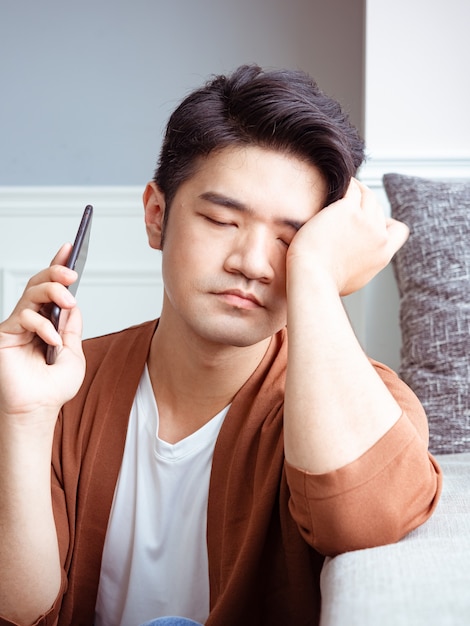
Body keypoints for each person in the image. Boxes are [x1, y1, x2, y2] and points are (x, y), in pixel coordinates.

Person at [0, 64, 441, 626]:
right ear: (157, 216)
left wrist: (314, 276)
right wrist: (21, 417)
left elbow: (362, 520)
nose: (251, 264)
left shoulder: (372, 404)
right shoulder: (61, 389)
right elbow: (19, 611)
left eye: (290, 240)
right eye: (220, 220)